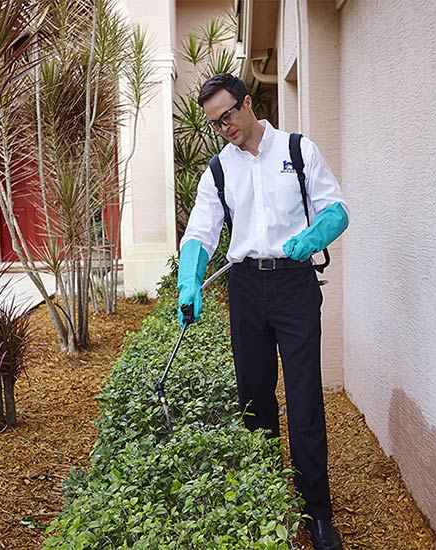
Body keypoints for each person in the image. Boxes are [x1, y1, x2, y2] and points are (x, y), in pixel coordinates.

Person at [177, 73, 348, 550]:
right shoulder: (218, 170)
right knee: (255, 398)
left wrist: (312, 238)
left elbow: (336, 209)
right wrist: (189, 280)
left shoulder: (297, 150)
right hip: (247, 287)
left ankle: (317, 512)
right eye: (215, 122)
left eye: (229, 114)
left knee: (305, 399)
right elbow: (200, 233)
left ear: (248, 103)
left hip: (294, 283)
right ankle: (270, 502)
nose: (225, 126)